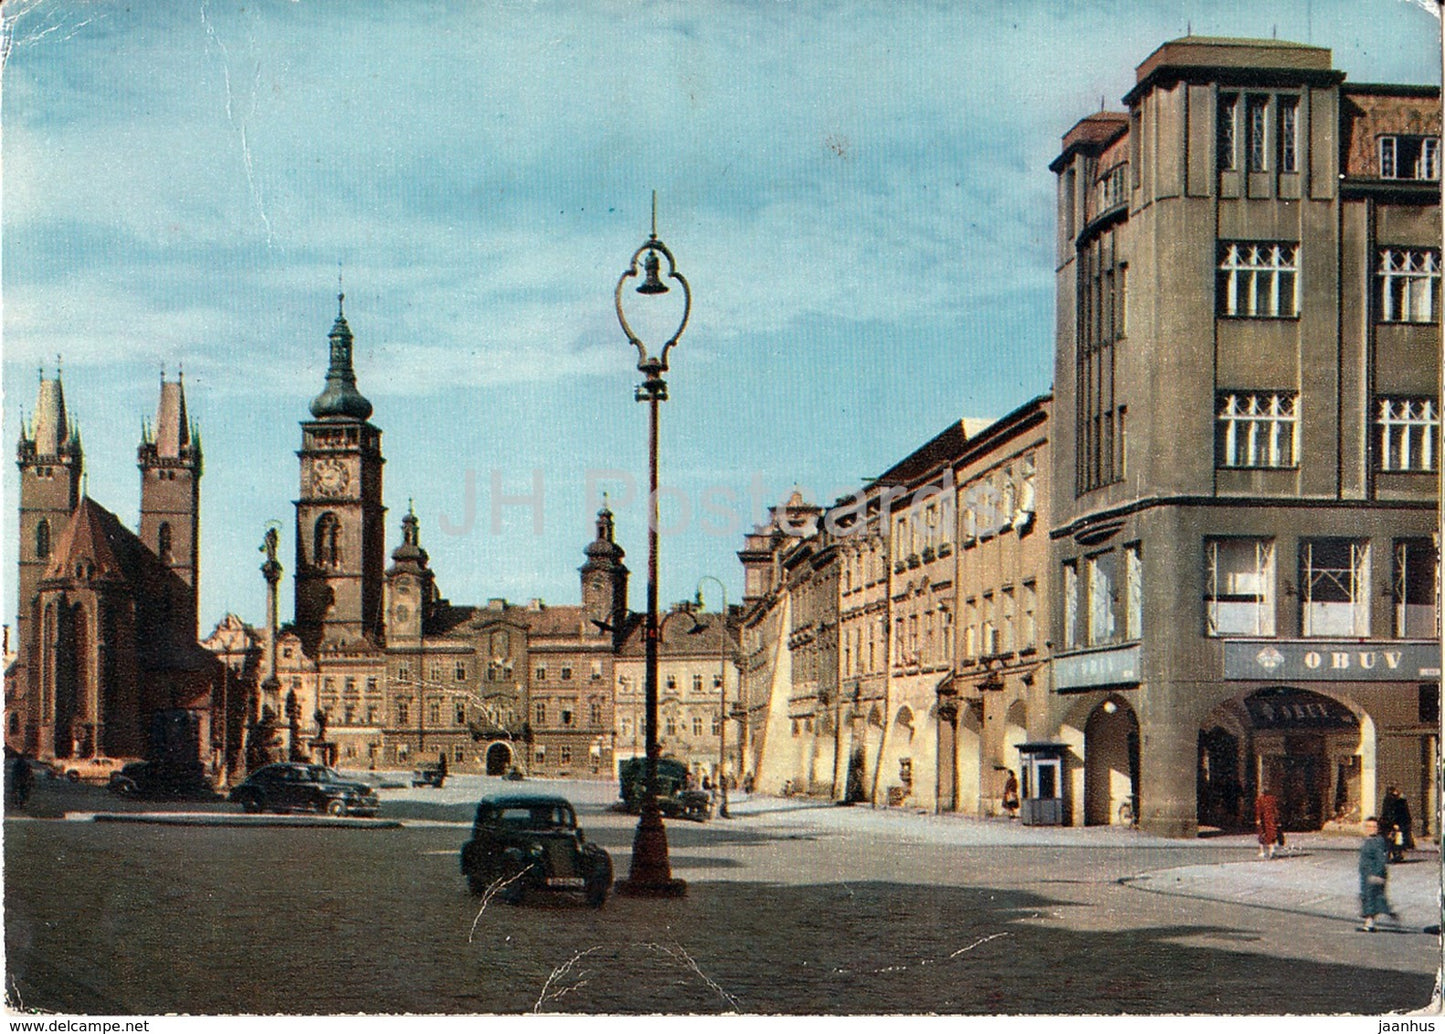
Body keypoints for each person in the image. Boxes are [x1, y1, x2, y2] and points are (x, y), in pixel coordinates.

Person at [1358, 815, 1397, 932]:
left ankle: (1370, 923)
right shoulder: (1369, 840)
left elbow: (1381, 859)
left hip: (1373, 874)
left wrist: (1377, 874)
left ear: (1377, 828)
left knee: (1370, 897)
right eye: (1368, 826)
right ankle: (1376, 918)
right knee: (1370, 897)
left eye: (1373, 827)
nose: (1371, 829)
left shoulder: (1377, 842)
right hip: (1366, 874)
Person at [1380, 786, 1413, 862]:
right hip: (1392, 824)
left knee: (1396, 840)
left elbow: (1404, 813)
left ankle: (1396, 855)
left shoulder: (1399, 800)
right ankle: (1392, 855)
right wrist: (1394, 823)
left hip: (1396, 824)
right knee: (1393, 840)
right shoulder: (1391, 800)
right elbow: (1390, 813)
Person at [1254, 786, 1281, 860]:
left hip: (1264, 819)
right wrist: (1277, 820)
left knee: (1262, 834)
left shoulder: (1260, 799)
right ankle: (1272, 850)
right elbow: (1276, 810)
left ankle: (1263, 851)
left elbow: (1259, 810)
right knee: (1272, 834)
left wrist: (1258, 819)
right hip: (1272, 819)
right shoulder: (1272, 799)